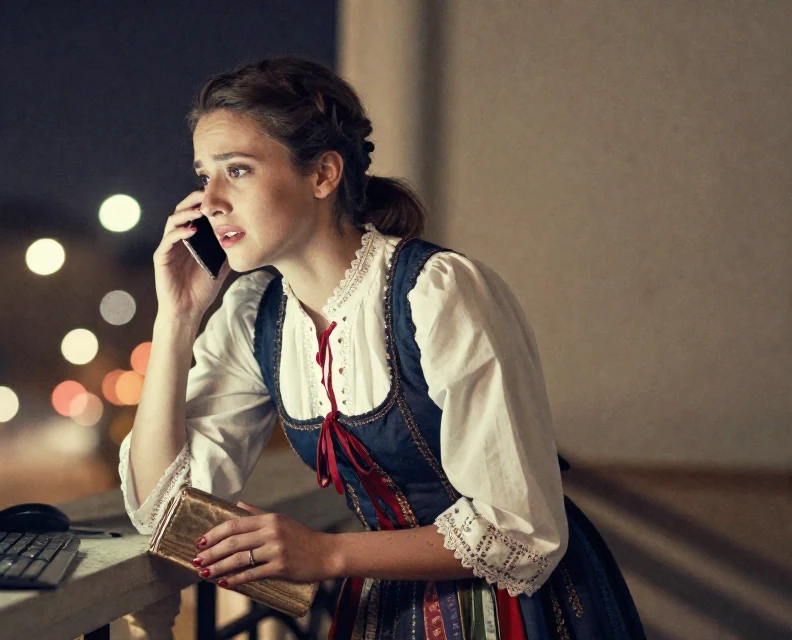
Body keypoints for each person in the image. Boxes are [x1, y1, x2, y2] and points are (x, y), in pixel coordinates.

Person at [119, 56, 645, 639]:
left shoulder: (439, 292)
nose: (211, 200)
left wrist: (325, 554)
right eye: (203, 176)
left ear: (323, 175)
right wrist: (177, 321)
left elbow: (521, 530)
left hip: (518, 608)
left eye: (236, 171)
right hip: (388, 611)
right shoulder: (255, 315)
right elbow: (166, 511)